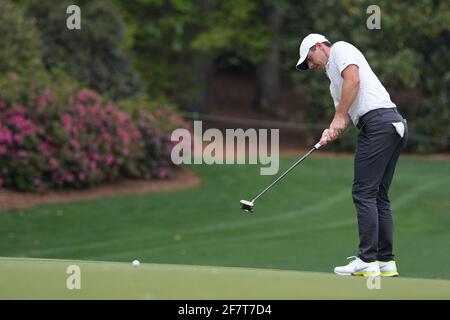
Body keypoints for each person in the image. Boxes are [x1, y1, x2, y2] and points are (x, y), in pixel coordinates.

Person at [296, 33, 408, 277]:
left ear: (318, 46)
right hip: (390, 125)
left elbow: (354, 80)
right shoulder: (332, 80)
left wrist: (339, 115)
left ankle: (367, 260)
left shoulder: (340, 49)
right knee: (378, 194)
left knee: (363, 192)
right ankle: (385, 261)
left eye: (309, 59)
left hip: (379, 123)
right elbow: (344, 114)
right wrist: (331, 130)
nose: (310, 66)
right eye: (306, 65)